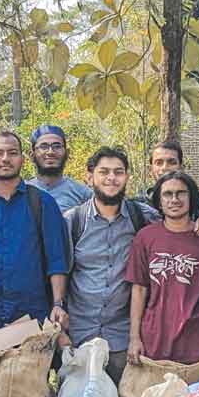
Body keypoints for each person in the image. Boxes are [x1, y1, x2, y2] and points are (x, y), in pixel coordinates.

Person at [0, 130, 68, 332]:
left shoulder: (42, 203)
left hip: (34, 319)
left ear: (23, 159)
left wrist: (58, 304)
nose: (5, 159)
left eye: (12, 153)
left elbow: (57, 260)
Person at [62, 147, 152, 379]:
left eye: (118, 172)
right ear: (89, 176)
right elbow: (57, 272)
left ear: (127, 177)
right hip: (79, 335)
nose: (111, 178)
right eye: (104, 172)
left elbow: (178, 223)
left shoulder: (142, 217)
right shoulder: (72, 221)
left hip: (123, 337)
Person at [125, 171, 199, 372]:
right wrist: (134, 338)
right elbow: (139, 290)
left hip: (198, 344)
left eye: (181, 193)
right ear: (159, 201)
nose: (174, 199)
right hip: (153, 343)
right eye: (167, 194)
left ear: (191, 198)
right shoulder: (145, 238)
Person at [28, 124, 93, 210]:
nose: (50, 152)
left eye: (57, 146)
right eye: (44, 147)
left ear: (67, 153)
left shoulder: (83, 194)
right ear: (32, 155)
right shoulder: (21, 192)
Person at [140, 138, 185, 208]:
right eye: (159, 163)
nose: (165, 168)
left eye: (172, 162)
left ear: (181, 168)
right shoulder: (138, 208)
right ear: (150, 169)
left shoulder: (193, 207)